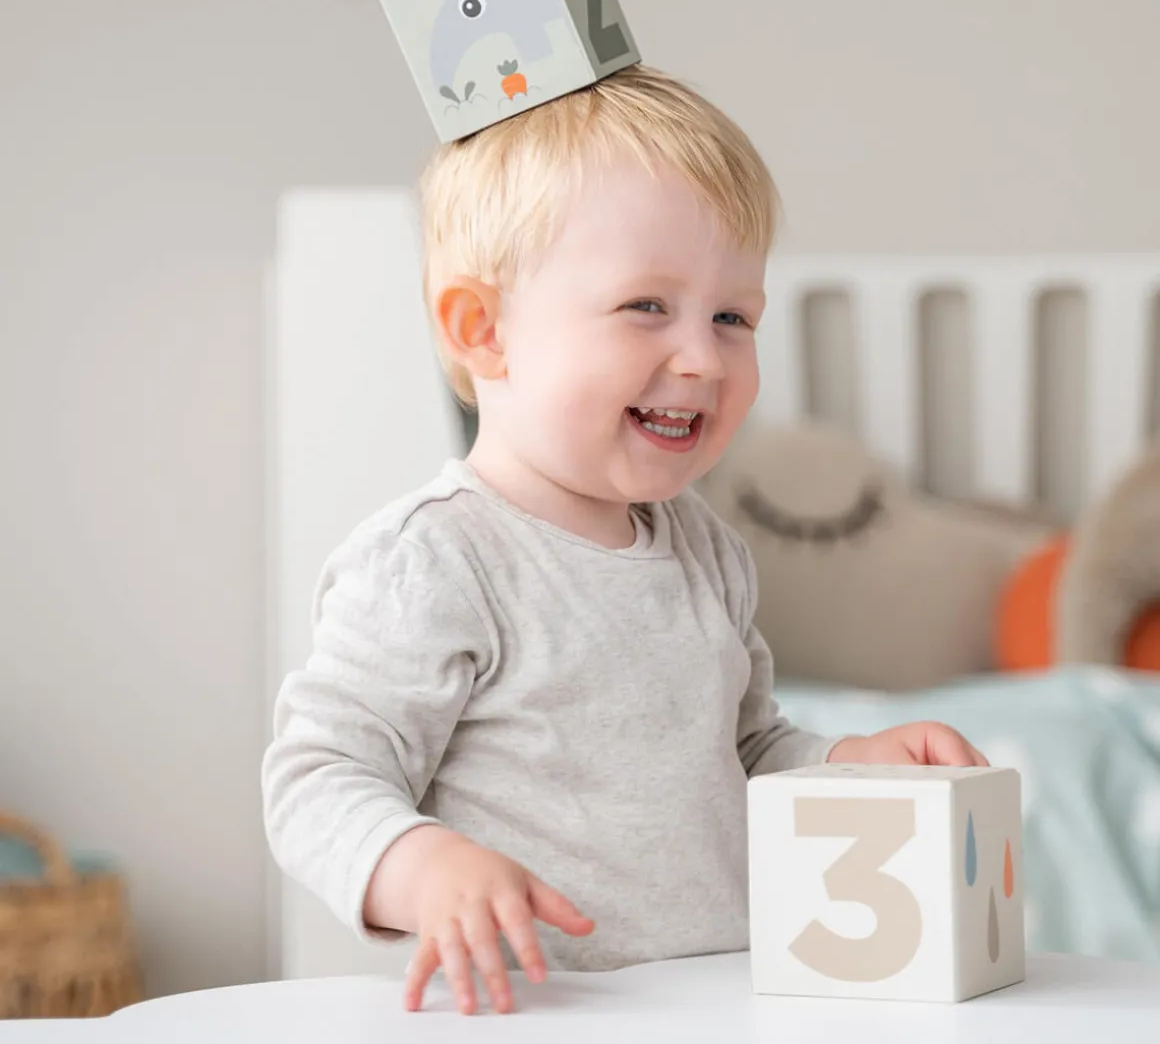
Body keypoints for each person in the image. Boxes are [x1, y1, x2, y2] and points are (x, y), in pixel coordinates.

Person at [261, 63, 987, 1017]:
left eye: (733, 317)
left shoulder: (706, 551)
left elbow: (745, 751)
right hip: (531, 1011)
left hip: (719, 999)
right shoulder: (434, 561)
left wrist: (849, 761)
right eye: (648, 306)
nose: (702, 357)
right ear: (485, 330)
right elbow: (317, 780)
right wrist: (422, 865)